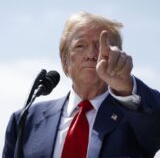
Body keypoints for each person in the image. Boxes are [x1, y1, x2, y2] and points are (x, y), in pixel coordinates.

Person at [2, 11, 160, 158]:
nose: (91, 55)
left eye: (101, 46)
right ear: (65, 62)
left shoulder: (137, 118)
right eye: (80, 46)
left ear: (118, 57)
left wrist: (126, 85)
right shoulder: (25, 120)